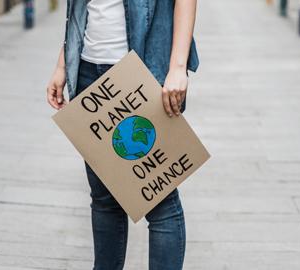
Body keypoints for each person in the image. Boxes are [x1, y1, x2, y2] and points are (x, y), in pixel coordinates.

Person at [46, 0, 198, 269]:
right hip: (88, 71)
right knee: (104, 199)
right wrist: (62, 63)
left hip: (144, 70)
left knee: (159, 202)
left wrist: (177, 66)